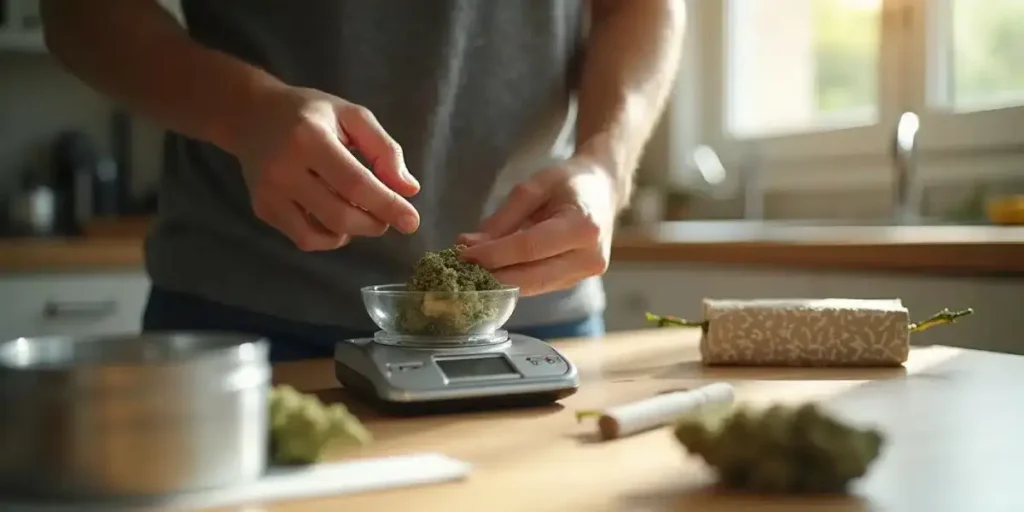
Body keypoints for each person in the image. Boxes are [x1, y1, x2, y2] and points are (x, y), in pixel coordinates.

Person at [40, 0, 686, 362]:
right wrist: (245, 112)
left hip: (531, 327)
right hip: (246, 322)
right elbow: (80, 14)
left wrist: (605, 160)